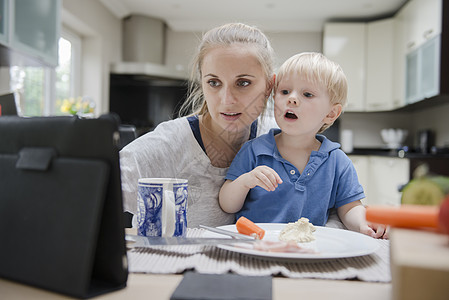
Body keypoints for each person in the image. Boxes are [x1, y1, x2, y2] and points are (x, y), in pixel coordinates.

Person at [119, 23, 276, 228]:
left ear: (269, 86)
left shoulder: (279, 139)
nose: (226, 100)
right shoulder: (169, 143)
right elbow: (90, 191)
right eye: (214, 82)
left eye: (243, 83)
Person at [219, 52, 386, 238]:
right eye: (284, 92)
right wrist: (245, 181)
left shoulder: (337, 161)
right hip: (257, 247)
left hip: (309, 252)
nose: (292, 98)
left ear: (331, 113)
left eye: (307, 94)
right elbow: (227, 204)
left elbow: (350, 208)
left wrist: (364, 224)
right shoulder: (254, 150)